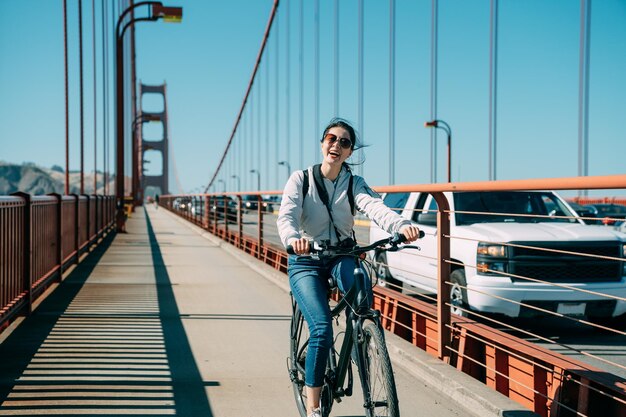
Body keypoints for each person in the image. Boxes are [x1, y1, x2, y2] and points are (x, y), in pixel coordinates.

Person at [277, 118, 420, 417]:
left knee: (363, 301)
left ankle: (362, 339)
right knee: (321, 328)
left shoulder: (354, 183)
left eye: (344, 142)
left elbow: (375, 207)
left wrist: (402, 225)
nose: (336, 145)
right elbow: (287, 216)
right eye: (332, 138)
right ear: (322, 143)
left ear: (350, 151)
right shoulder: (300, 180)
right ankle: (314, 407)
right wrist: (293, 239)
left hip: (342, 254)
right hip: (307, 259)